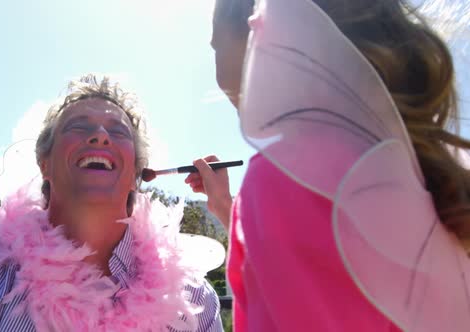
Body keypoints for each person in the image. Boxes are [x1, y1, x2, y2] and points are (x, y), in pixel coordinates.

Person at [186, 0, 470, 331]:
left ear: (256, 28)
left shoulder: (282, 177)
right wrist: (226, 206)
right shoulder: (428, 168)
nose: (216, 66)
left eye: (216, 45)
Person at [0, 74, 223, 331]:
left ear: (138, 172)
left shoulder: (191, 297)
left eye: (118, 132)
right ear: (44, 163)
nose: (100, 136)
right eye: (79, 127)